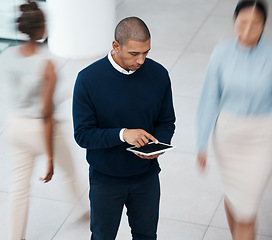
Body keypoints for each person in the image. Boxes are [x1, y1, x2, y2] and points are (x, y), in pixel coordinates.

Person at [73, 16, 175, 240]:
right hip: (105, 181)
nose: (141, 60)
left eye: (146, 52)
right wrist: (122, 135)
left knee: (147, 236)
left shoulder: (159, 75)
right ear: (116, 46)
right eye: (134, 54)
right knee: (102, 237)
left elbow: (167, 121)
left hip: (146, 178)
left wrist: (158, 144)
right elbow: (83, 135)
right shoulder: (88, 80)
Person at [0, 1, 79, 239]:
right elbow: (45, 113)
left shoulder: (7, 55)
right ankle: (86, 210)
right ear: (41, 28)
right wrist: (50, 159)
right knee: (70, 169)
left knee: (19, 188)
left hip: (15, 126)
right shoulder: (47, 64)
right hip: (41, 128)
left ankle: (15, 236)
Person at [196, 1, 272, 239]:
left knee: (246, 211)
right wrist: (201, 142)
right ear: (234, 22)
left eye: (254, 24)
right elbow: (209, 97)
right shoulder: (221, 53)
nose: (247, 30)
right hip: (228, 137)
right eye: (242, 23)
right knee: (235, 196)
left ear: (264, 26)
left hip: (262, 137)